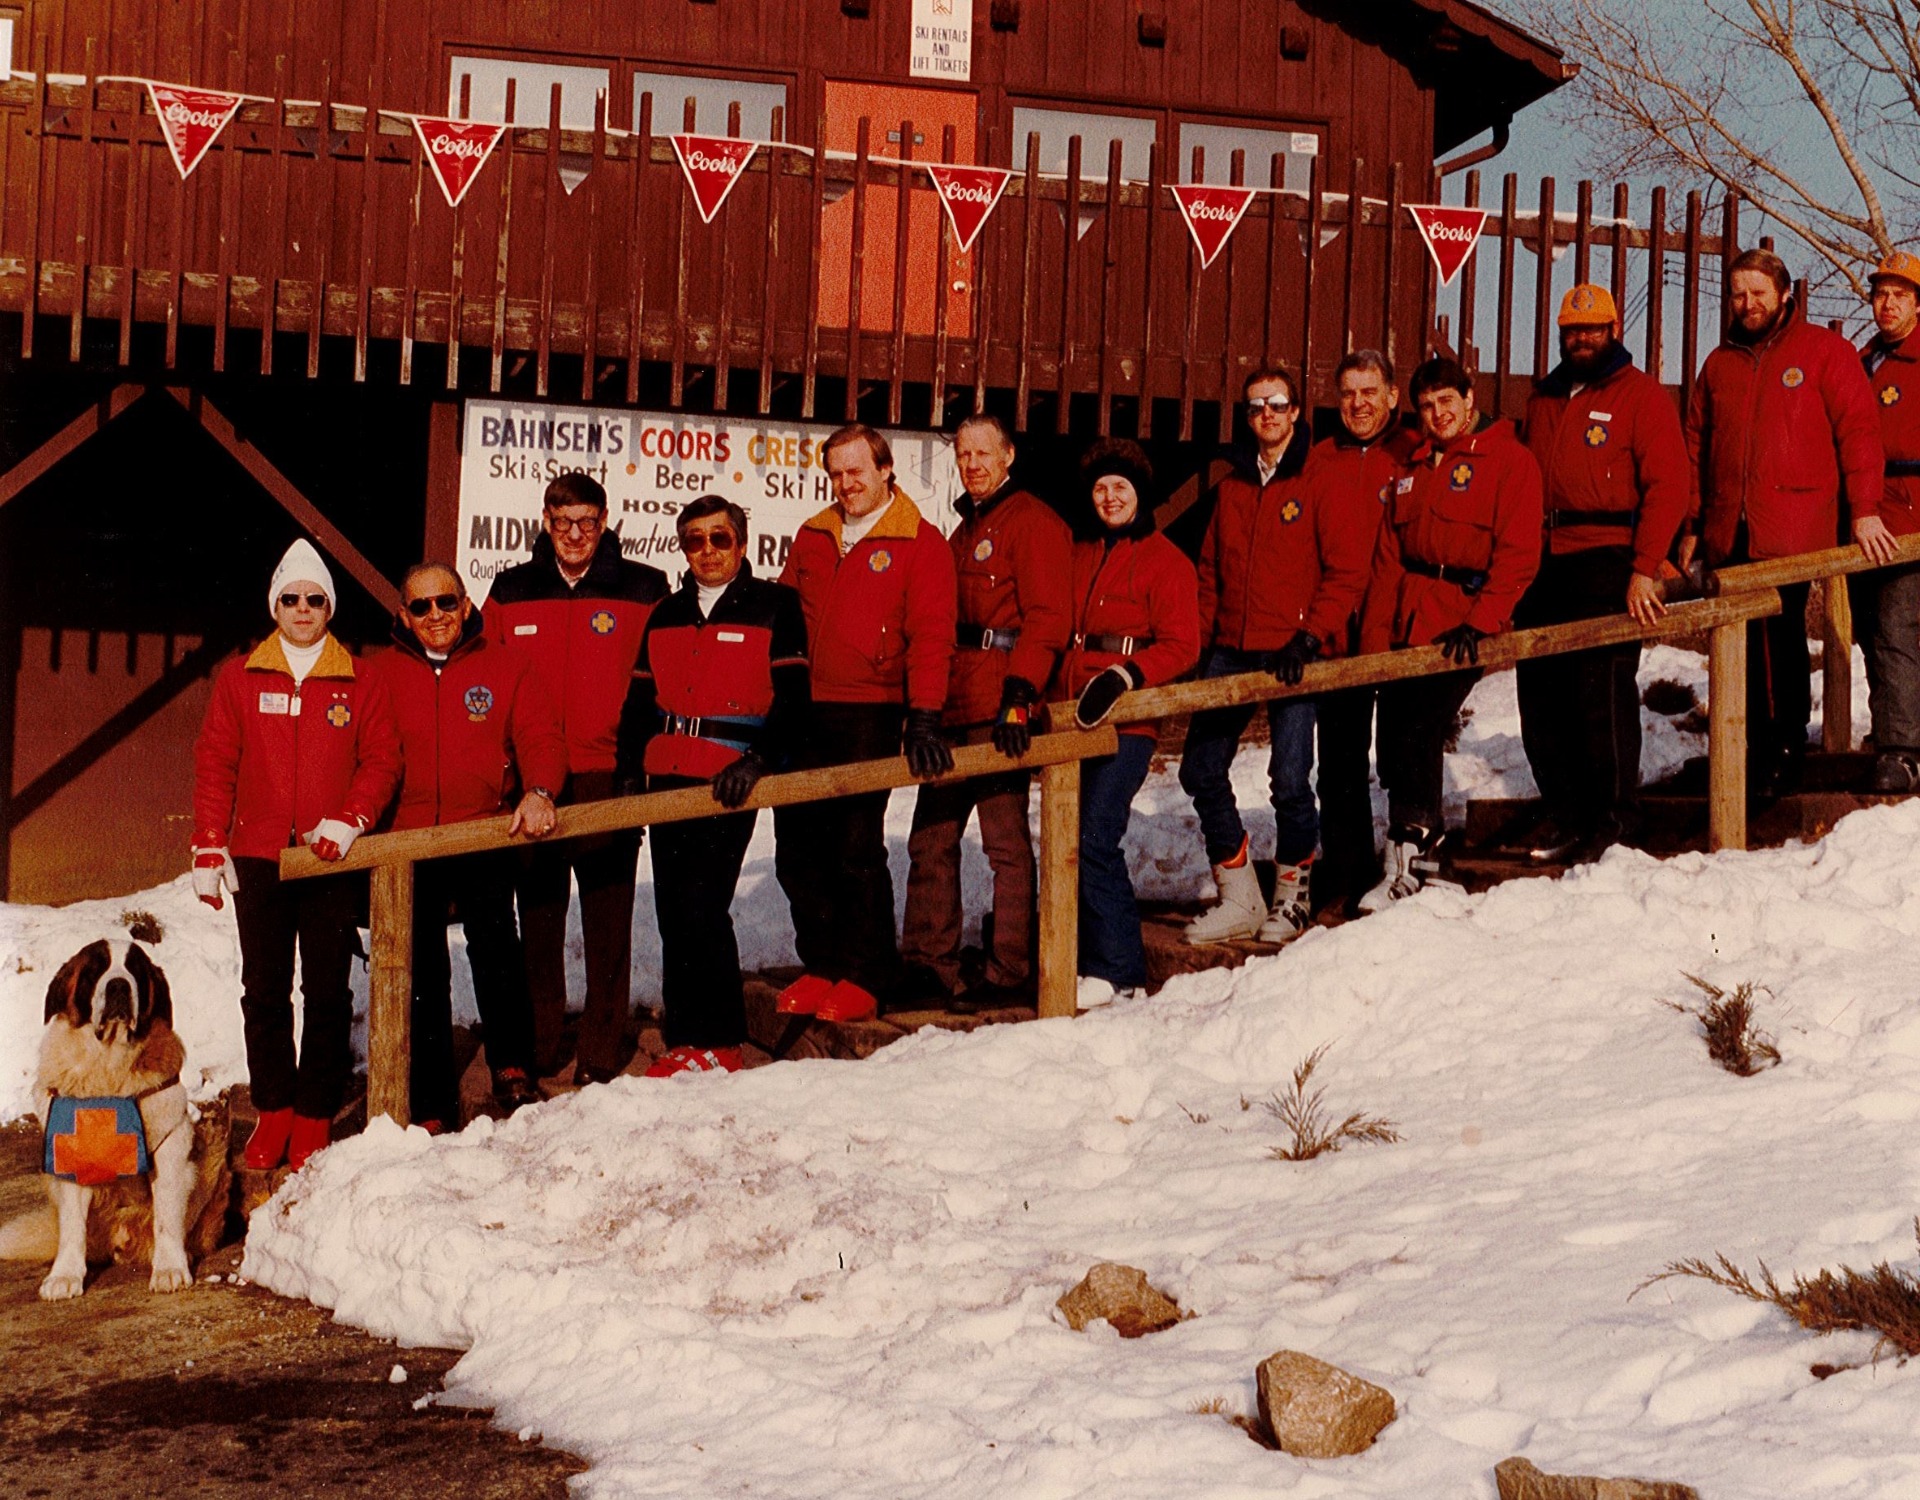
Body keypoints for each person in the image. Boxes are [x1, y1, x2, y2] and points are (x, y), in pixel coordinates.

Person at [191, 539, 402, 1171]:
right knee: (263, 989)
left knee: (329, 990)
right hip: (260, 855)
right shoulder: (241, 675)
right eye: (291, 598)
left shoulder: (360, 678)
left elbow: (382, 760)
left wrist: (351, 818)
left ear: (329, 607)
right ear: (275, 605)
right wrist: (208, 843)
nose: (303, 609)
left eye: (315, 599)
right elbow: (216, 761)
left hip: (327, 856)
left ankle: (313, 1113)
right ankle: (274, 1109)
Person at [1685, 247, 1891, 801]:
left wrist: (1865, 509)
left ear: (1783, 295)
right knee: (1739, 641)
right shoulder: (1719, 363)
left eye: (1758, 293)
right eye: (1738, 294)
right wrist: (1691, 525)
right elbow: (1695, 445)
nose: (1747, 304)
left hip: (1794, 523)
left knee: (1778, 638)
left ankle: (1783, 748)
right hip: (1732, 527)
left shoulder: (1824, 352)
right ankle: (1745, 747)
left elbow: (1860, 435)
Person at [614, 497, 810, 1075]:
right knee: (673, 908)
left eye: (719, 539)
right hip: (667, 774)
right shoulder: (666, 613)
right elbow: (639, 703)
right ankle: (685, 1039)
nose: (707, 552)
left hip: (727, 777)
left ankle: (721, 1038)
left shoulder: (774, 605)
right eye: (694, 541)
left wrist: (757, 760)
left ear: (742, 544)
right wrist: (629, 769)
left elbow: (794, 702)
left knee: (703, 904)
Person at [1179, 365, 1373, 945]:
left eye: (1277, 404)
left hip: (1291, 652)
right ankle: (1239, 892)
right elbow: (1210, 571)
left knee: (1289, 779)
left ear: (1295, 413)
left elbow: (1345, 573)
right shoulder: (1234, 486)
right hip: (1232, 651)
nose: (1267, 413)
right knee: (1200, 768)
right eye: (1256, 405)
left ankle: (1292, 896)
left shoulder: (1321, 481)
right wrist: (1203, 641)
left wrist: (1309, 637)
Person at [486, 472, 669, 1085]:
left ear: (605, 521)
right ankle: (540, 1046)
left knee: (608, 917)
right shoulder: (511, 591)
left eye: (588, 522)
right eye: (563, 522)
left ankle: (597, 1052)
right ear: (544, 521)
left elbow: (658, 683)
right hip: (536, 781)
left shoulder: (643, 588)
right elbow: (485, 674)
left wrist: (638, 768)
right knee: (538, 916)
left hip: (607, 774)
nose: (574, 535)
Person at [774, 423, 958, 1023]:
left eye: (856, 471)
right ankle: (822, 963)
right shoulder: (814, 534)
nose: (845, 484)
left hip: (869, 708)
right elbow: (783, 617)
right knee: (797, 847)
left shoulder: (919, 541)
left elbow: (931, 637)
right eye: (835, 473)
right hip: (806, 709)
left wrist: (924, 715)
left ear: (885, 470)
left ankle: (866, 971)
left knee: (854, 846)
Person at [376, 563, 564, 1129]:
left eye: (445, 603)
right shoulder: (378, 672)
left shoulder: (505, 663)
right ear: (404, 616)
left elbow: (539, 734)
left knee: (496, 948)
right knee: (423, 965)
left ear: (464, 604)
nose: (435, 616)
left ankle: (512, 1065)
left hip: (483, 827)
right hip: (409, 840)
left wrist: (538, 790)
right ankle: (431, 1096)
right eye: (421, 607)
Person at [899, 414, 1072, 1012]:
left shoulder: (1032, 523)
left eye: (983, 454)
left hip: (1000, 703)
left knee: (1003, 842)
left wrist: (1020, 698)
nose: (972, 465)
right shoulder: (962, 530)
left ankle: (1009, 969)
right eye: (963, 455)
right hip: (953, 701)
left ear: (1008, 457)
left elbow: (1047, 619)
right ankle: (927, 964)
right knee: (932, 839)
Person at [1358, 356, 1543, 909]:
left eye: (1447, 402)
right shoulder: (1413, 466)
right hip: (1410, 618)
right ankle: (1413, 850)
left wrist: (1482, 620)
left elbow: (1518, 554)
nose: (1438, 414)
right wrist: (1377, 637)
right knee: (1393, 740)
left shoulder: (1509, 461)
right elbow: (1391, 556)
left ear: (1469, 398)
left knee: (1421, 727)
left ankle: (1414, 852)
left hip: (1463, 618)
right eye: (1427, 406)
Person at [1514, 283, 1690, 861]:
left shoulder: (1640, 396)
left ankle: (1616, 816)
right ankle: (1565, 810)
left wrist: (1645, 568)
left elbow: (1669, 486)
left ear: (1614, 330)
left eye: (1592, 329)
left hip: (1609, 552)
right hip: (1546, 555)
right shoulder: (1544, 398)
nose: (1582, 339)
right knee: (1540, 691)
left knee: (1600, 689)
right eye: (1572, 329)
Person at [1057, 439, 1200, 1000]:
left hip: (1126, 721)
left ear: (1139, 494)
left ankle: (1120, 972)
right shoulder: (1079, 552)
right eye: (1100, 488)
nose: (1110, 497)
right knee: (1069, 836)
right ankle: (1082, 957)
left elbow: (1183, 644)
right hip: (1070, 714)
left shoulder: (1166, 560)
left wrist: (1127, 674)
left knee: (1097, 834)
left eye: (1120, 488)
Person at [1307, 350, 1418, 915]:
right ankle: (1347, 871)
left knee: (1402, 754)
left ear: (1393, 395)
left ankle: (1406, 866)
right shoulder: (1321, 458)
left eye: (1369, 391)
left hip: (1395, 625)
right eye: (1348, 393)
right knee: (1341, 762)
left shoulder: (1412, 452)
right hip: (1337, 630)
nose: (1358, 404)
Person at [1857, 250, 1920, 791]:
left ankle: (1902, 751)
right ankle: (1893, 732)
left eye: (1899, 294)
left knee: (1898, 626)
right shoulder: (1864, 361)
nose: (1888, 303)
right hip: (1867, 515)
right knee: (1871, 629)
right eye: (1880, 293)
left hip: (1911, 516)